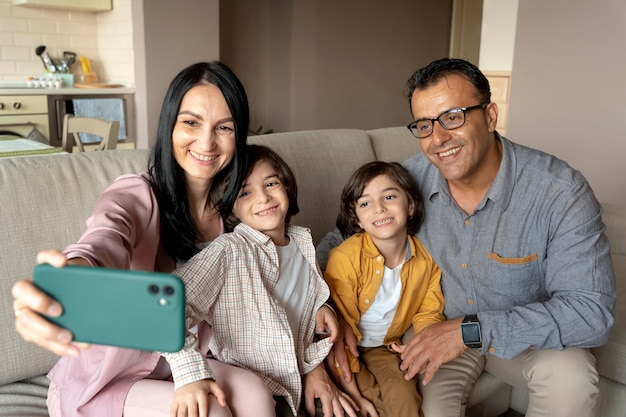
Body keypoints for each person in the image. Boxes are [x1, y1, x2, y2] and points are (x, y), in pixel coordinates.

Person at [318, 57, 616, 417]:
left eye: (453, 117)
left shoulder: (559, 193)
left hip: (523, 337)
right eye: (425, 125)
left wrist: (472, 330)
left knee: (572, 380)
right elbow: (340, 241)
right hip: (434, 330)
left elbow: (591, 313)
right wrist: (324, 306)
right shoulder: (407, 183)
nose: (438, 138)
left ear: (490, 116)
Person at [11, 61, 277, 417]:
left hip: (179, 366)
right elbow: (104, 239)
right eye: (191, 122)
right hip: (107, 381)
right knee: (208, 412)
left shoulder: (234, 215)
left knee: (257, 394)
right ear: (169, 125)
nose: (206, 142)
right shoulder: (136, 193)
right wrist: (71, 280)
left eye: (224, 127)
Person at [165, 144, 358, 417]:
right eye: (246, 192)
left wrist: (320, 307)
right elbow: (164, 306)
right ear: (231, 208)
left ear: (287, 187)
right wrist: (189, 372)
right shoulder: (229, 250)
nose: (264, 197)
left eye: (271, 183)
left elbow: (295, 302)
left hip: (297, 381)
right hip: (249, 387)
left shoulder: (304, 245)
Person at [323, 161, 444, 417]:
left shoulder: (426, 260)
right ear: (356, 218)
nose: (379, 208)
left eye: (389, 197)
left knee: (406, 401)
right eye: (365, 203)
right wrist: (354, 394)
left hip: (383, 347)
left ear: (410, 205)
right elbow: (337, 331)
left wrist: (420, 344)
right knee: (373, 406)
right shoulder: (345, 258)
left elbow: (429, 311)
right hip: (341, 349)